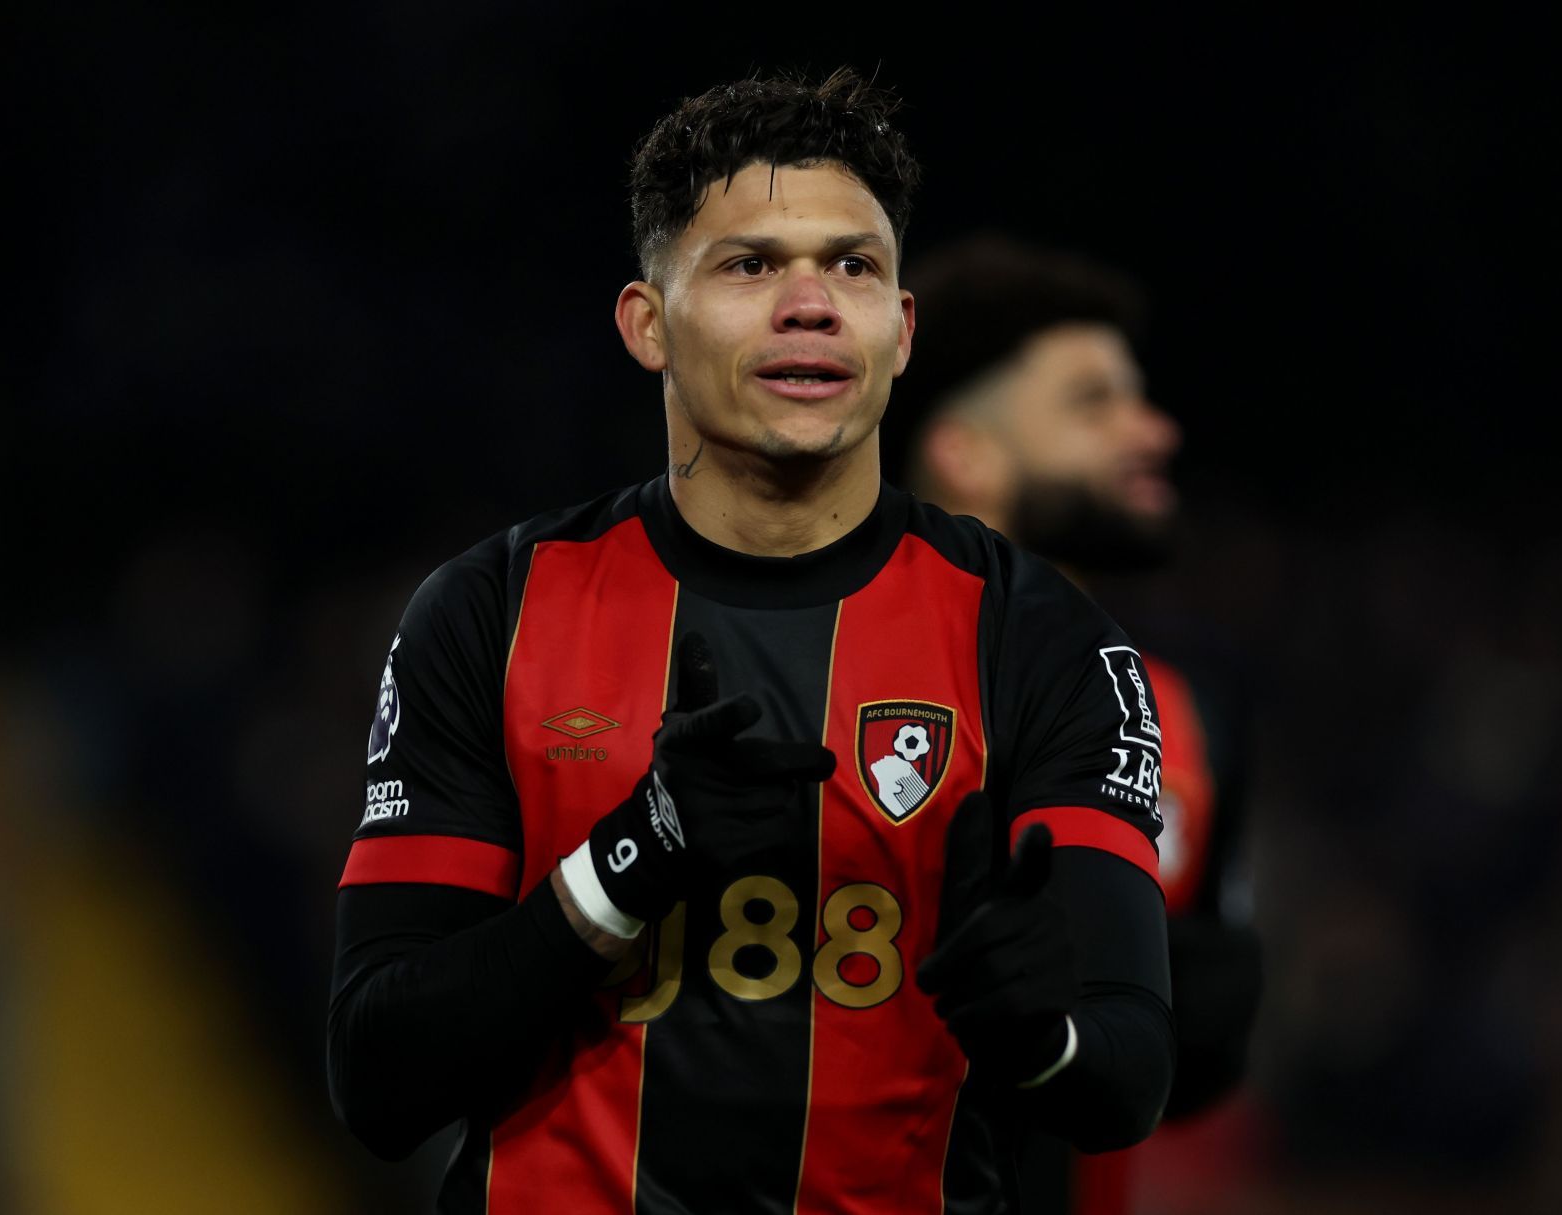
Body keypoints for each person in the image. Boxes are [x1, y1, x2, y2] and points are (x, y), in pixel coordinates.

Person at [327, 72, 1177, 1213]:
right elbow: (377, 1079)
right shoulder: (491, 612)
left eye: (853, 266)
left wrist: (1037, 1035)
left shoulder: (1044, 640)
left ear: (902, 330)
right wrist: (632, 858)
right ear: (646, 323)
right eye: (750, 265)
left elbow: (1125, 1078)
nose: (812, 304)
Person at [886, 235, 1263, 1214]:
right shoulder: (837, 681)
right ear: (964, 452)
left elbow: (1184, 1049)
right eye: (1094, 401)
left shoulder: (1180, 711)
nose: (1154, 431)